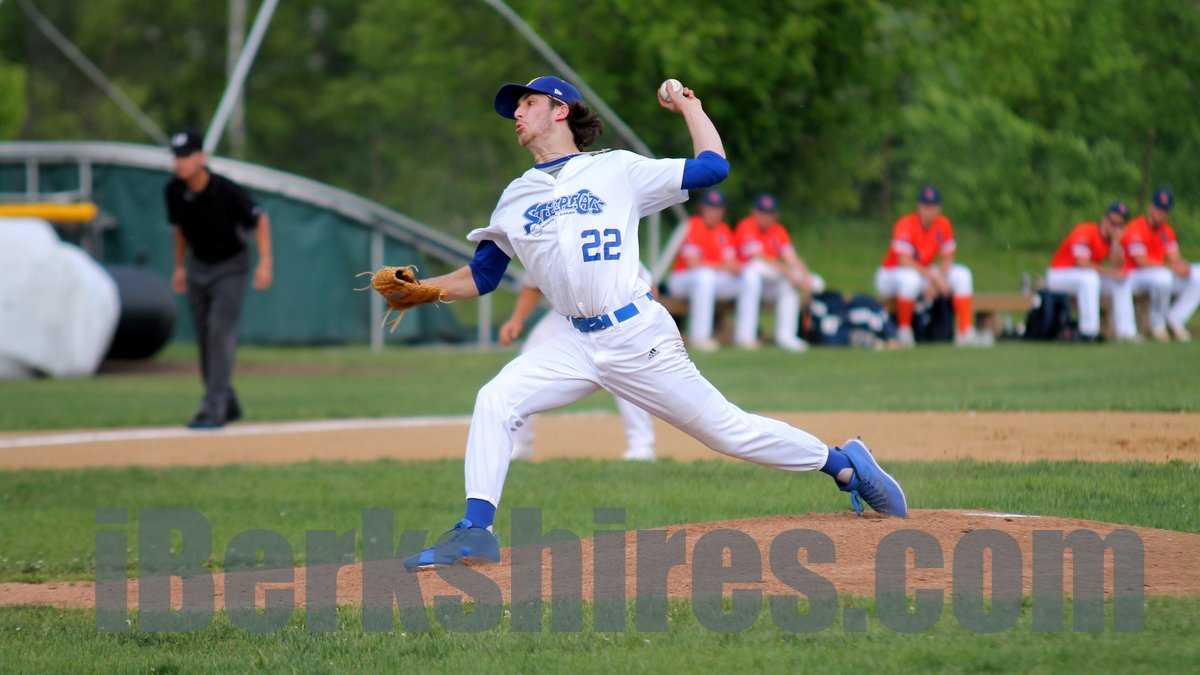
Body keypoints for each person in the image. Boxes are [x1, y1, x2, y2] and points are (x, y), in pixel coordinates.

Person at [397, 75, 907, 571]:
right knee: (495, 398)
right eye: (516, 107)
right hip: (575, 342)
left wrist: (690, 107)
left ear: (560, 110)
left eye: (527, 103)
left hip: (637, 335)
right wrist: (423, 289)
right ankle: (475, 530)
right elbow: (483, 275)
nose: (517, 113)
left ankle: (842, 464)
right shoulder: (516, 195)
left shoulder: (616, 169)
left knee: (727, 432)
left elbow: (712, 168)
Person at [165, 131, 273, 429]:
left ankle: (213, 407)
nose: (180, 162)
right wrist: (179, 267)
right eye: (176, 156)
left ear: (201, 157)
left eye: (186, 155)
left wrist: (265, 262)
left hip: (230, 267)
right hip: (198, 266)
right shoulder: (174, 191)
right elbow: (179, 230)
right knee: (203, 337)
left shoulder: (225, 190)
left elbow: (260, 219)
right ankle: (226, 400)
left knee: (219, 333)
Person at [500, 272, 657, 461]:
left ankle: (641, 445)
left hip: (613, 314)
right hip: (564, 316)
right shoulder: (543, 252)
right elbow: (533, 286)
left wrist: (649, 324)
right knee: (524, 365)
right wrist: (516, 320)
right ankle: (519, 444)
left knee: (625, 372)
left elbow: (646, 284)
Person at [874, 185, 976, 347]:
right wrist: (934, 278)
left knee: (963, 274)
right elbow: (904, 261)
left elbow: (948, 257)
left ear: (939, 208)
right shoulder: (906, 223)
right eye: (926, 205)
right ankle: (904, 331)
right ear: (919, 206)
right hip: (891, 274)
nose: (929, 210)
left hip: (922, 272)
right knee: (910, 280)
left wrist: (937, 280)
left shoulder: (943, 224)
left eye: (933, 206)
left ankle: (965, 331)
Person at [732, 194, 824, 352]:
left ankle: (786, 337)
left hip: (768, 281)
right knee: (753, 272)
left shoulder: (778, 230)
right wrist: (789, 272)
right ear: (754, 212)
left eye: (769, 213)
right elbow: (758, 257)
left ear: (775, 214)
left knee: (795, 284)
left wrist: (805, 276)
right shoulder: (746, 226)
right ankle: (745, 337)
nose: (765, 216)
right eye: (762, 212)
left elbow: (790, 257)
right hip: (740, 280)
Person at [665, 189, 742, 351]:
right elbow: (693, 264)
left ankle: (745, 336)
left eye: (718, 208)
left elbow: (734, 265)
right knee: (705, 277)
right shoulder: (692, 225)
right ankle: (700, 337)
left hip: (712, 278)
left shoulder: (723, 229)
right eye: (710, 208)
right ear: (702, 208)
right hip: (682, 279)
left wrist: (729, 267)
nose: (714, 212)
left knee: (749, 279)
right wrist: (722, 266)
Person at [1116, 188, 1196, 342]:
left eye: (1164, 210)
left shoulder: (1166, 231)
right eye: (1158, 209)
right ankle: (1158, 325)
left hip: (1159, 272)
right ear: (1150, 207)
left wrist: (1183, 266)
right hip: (1134, 275)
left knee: (1197, 274)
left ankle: (1176, 319)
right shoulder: (1136, 227)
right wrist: (1171, 267)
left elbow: (1174, 257)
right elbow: (1141, 261)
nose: (1161, 214)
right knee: (1163, 277)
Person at [1045, 201, 1128, 341]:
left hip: (1081, 277)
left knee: (1120, 283)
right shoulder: (1085, 230)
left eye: (1120, 225)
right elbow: (1081, 262)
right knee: (1090, 278)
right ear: (1104, 219)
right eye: (1113, 223)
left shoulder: (1111, 240)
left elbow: (1117, 266)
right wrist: (1111, 272)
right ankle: (1089, 331)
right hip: (1058, 275)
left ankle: (1126, 332)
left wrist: (1116, 243)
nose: (1115, 228)